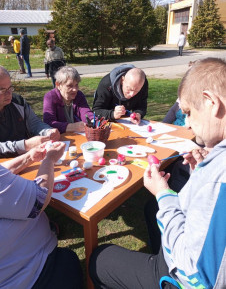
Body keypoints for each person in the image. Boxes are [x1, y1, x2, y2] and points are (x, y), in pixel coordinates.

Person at [89, 58, 226, 289]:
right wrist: (197, 176)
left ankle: (157, 266)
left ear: (211, 102)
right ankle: (157, 253)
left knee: (98, 259)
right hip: (186, 251)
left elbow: (195, 274)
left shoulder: (218, 176)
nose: (188, 125)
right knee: (152, 208)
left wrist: (163, 194)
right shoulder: (215, 164)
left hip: (181, 278)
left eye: (189, 113)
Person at [0, 141, 84, 289]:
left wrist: (28, 158)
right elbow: (38, 200)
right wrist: (49, 159)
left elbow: (2, 172)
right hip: (25, 276)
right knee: (69, 261)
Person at [0, 66, 60, 158]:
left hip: (29, 158)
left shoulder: (17, 102)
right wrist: (25, 145)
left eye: (10, 88)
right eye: (2, 90)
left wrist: (48, 132)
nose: (9, 94)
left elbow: (34, 123)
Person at [43, 66, 93, 133]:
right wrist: (72, 127)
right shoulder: (50, 97)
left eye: (76, 85)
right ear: (58, 85)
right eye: (70, 85)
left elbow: (86, 112)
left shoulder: (79, 95)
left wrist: (93, 120)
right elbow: (49, 122)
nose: (75, 89)